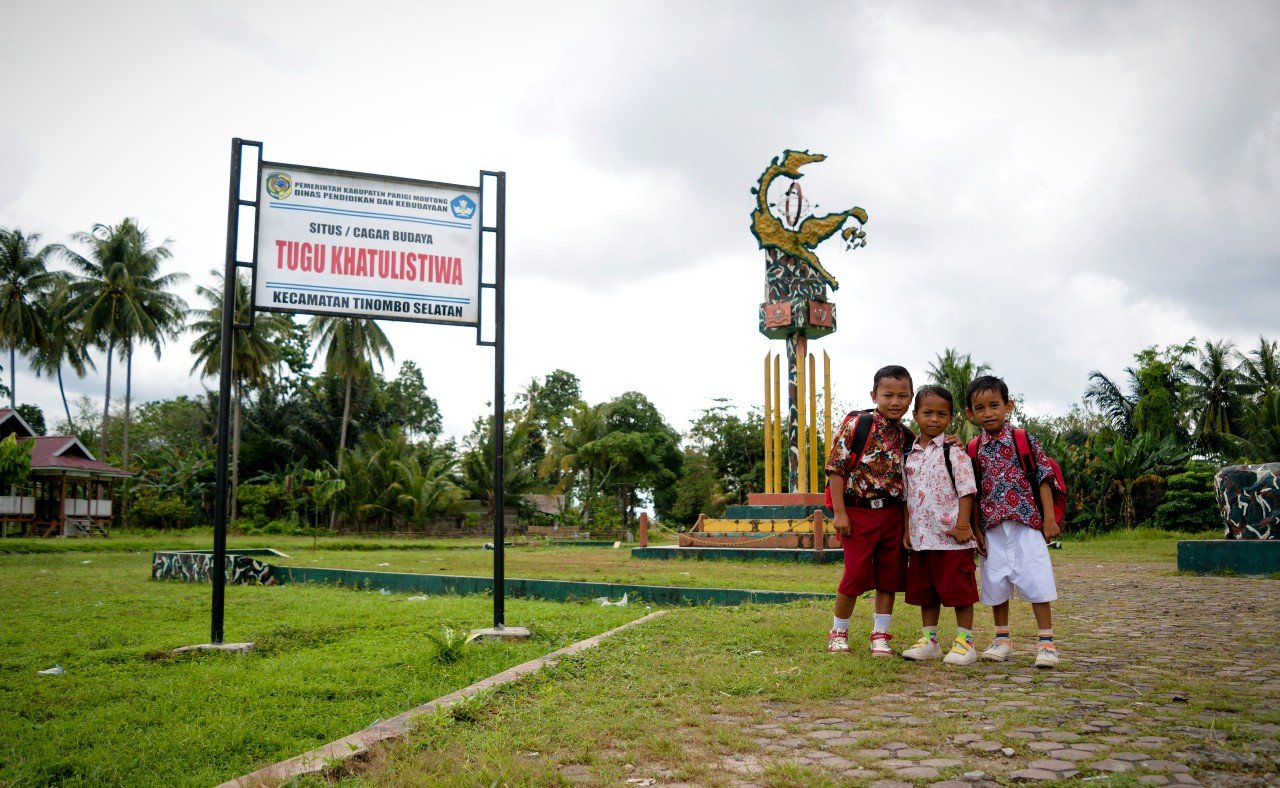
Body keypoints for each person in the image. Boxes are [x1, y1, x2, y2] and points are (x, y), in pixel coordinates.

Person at [965, 375, 1062, 668]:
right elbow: (973, 491)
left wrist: (1048, 519)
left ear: (1008, 405)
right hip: (992, 526)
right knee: (995, 584)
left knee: (1037, 580)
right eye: (980, 408)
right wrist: (975, 528)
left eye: (994, 405)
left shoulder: (1022, 438)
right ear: (971, 413)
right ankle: (1001, 640)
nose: (988, 413)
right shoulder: (973, 448)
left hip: (1026, 523)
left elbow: (1043, 477)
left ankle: (1046, 644)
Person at [825, 364, 915, 656]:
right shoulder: (857, 425)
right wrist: (840, 513)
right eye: (888, 395)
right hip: (858, 512)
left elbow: (909, 484)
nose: (895, 402)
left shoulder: (907, 437)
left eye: (902, 396)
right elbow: (836, 470)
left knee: (889, 576)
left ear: (911, 398)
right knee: (854, 575)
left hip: (891, 514)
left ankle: (881, 635)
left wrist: (907, 526)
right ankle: (839, 632)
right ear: (874, 395)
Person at [900, 385, 982, 665]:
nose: (934, 419)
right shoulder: (908, 455)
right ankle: (930, 640)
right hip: (922, 538)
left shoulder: (953, 451)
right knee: (927, 591)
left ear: (951, 417)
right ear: (916, 414)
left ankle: (965, 642)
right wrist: (907, 529)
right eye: (928, 413)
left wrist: (962, 525)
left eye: (942, 414)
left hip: (950, 536)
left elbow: (967, 490)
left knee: (959, 590)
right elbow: (907, 496)